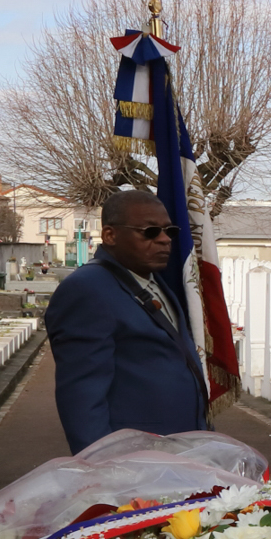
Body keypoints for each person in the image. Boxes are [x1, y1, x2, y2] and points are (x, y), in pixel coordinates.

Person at [44, 188, 209, 453]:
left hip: (180, 448)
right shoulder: (88, 289)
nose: (164, 240)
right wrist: (103, 465)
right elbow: (82, 397)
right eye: (150, 232)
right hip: (135, 457)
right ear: (110, 235)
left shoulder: (156, 282)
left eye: (170, 231)